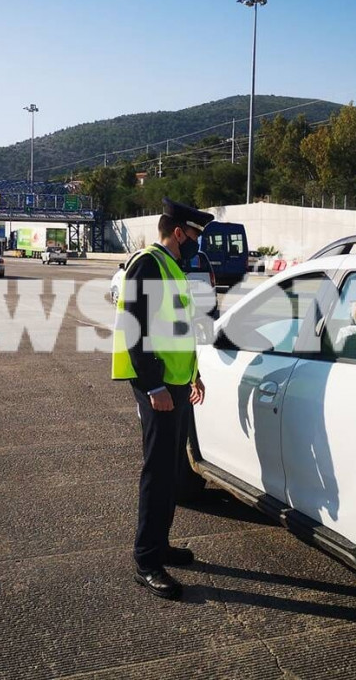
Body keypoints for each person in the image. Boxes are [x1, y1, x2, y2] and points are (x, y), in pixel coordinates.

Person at [112, 197, 214, 600]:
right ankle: (147, 561)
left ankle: (161, 543)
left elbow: (177, 329)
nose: (196, 243)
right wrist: (154, 386)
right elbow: (133, 327)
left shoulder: (171, 267)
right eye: (193, 235)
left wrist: (193, 375)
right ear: (177, 232)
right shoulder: (148, 264)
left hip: (176, 383)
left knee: (172, 470)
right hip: (156, 386)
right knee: (157, 473)